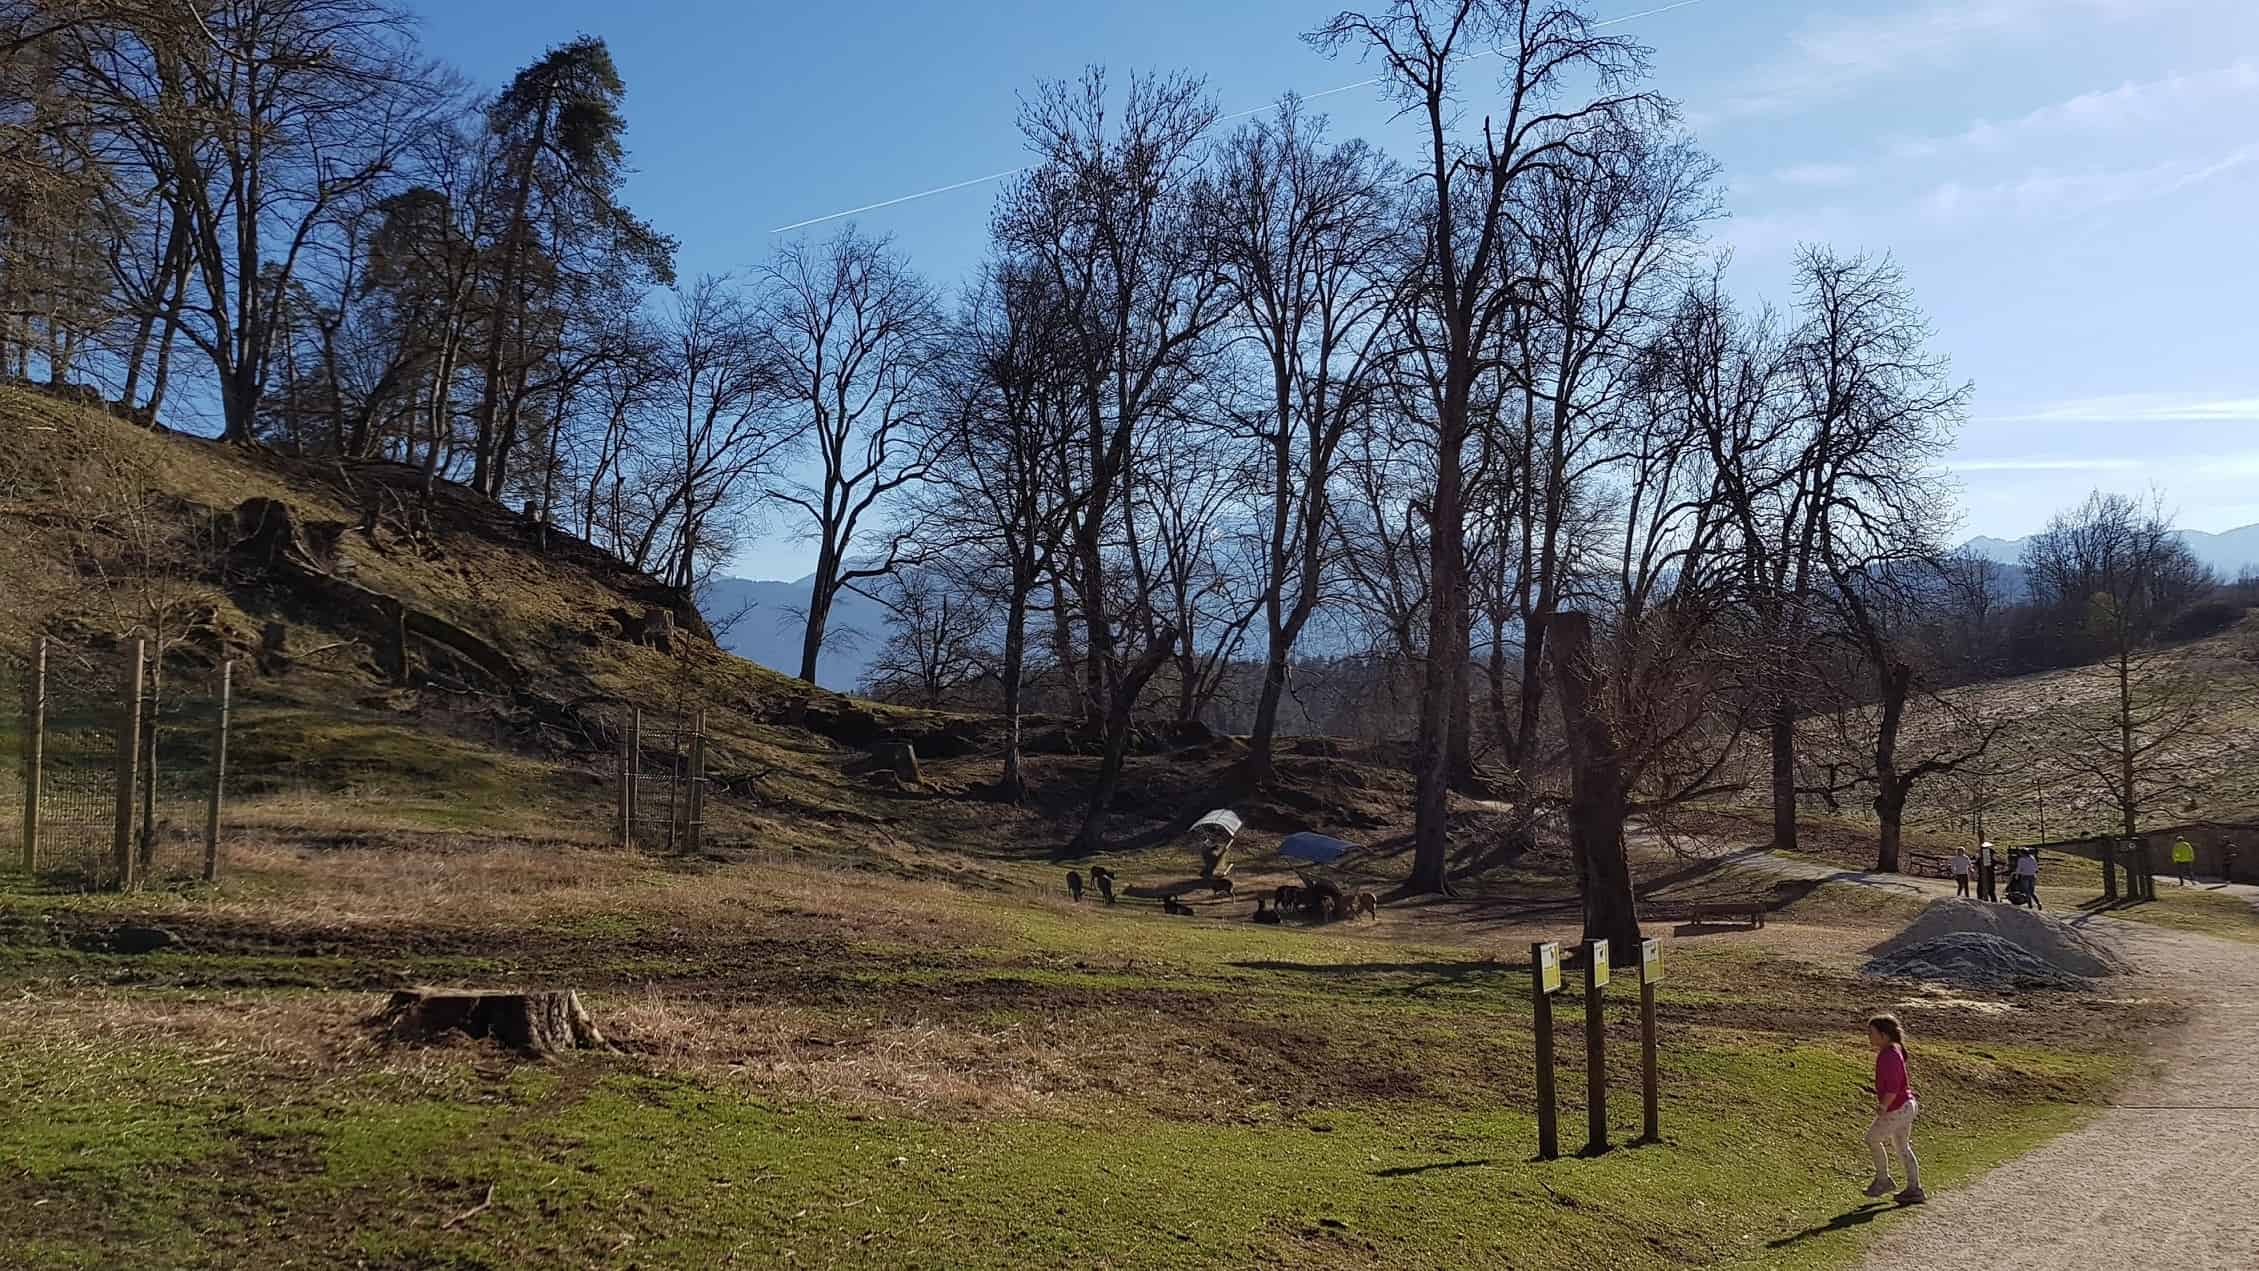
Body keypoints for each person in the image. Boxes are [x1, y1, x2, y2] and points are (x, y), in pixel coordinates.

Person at [1862, 1013, 1924, 1205]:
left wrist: (1883, 1106)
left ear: (1884, 1035)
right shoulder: (1894, 1050)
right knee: (1902, 1147)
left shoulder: (1888, 1055)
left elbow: (1893, 1087)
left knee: (1872, 1139)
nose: (1869, 1036)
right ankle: (1914, 1189)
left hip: (1897, 1108)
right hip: (1907, 1106)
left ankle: (1883, 1181)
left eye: (1872, 1033)